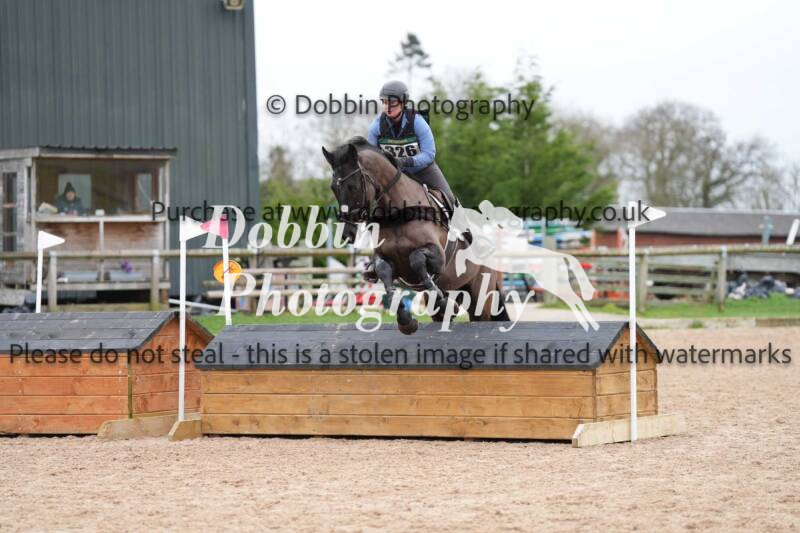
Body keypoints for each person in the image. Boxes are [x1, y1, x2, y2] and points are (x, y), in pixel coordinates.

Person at [367, 80, 456, 210]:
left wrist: (407, 161)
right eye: (385, 102)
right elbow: (372, 159)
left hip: (423, 171)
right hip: (393, 175)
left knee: (451, 200)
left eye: (392, 103)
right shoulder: (376, 127)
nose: (387, 107)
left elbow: (429, 154)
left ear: (403, 103)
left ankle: (462, 222)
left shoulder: (418, 122)